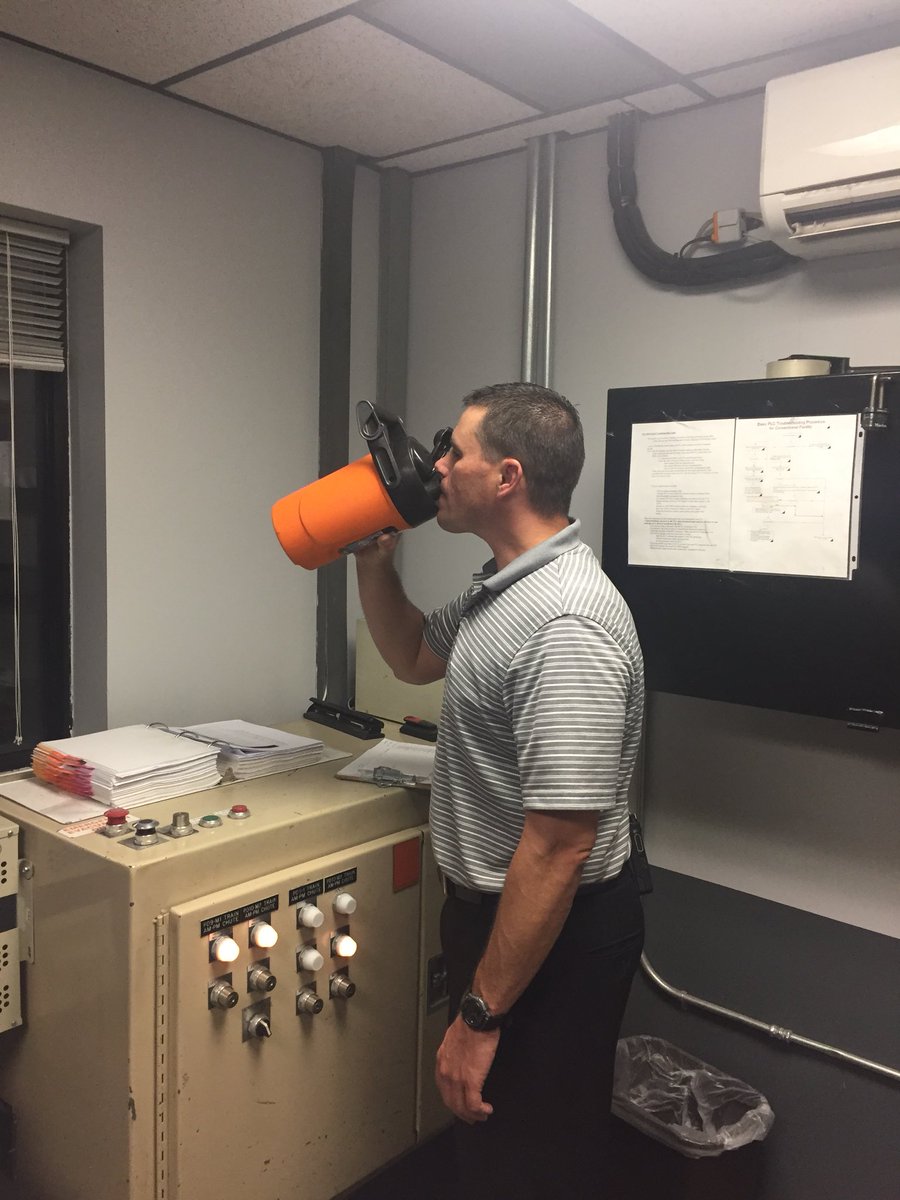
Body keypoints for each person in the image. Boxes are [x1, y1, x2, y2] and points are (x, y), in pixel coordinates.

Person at [354, 382, 645, 1199]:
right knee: (499, 1152)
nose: (437, 467)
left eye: (456, 452)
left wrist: (480, 1019)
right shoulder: (504, 588)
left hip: (554, 934)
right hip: (500, 917)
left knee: (527, 1160)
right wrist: (375, 560)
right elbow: (413, 654)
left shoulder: (565, 625)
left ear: (508, 476)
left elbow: (560, 845)